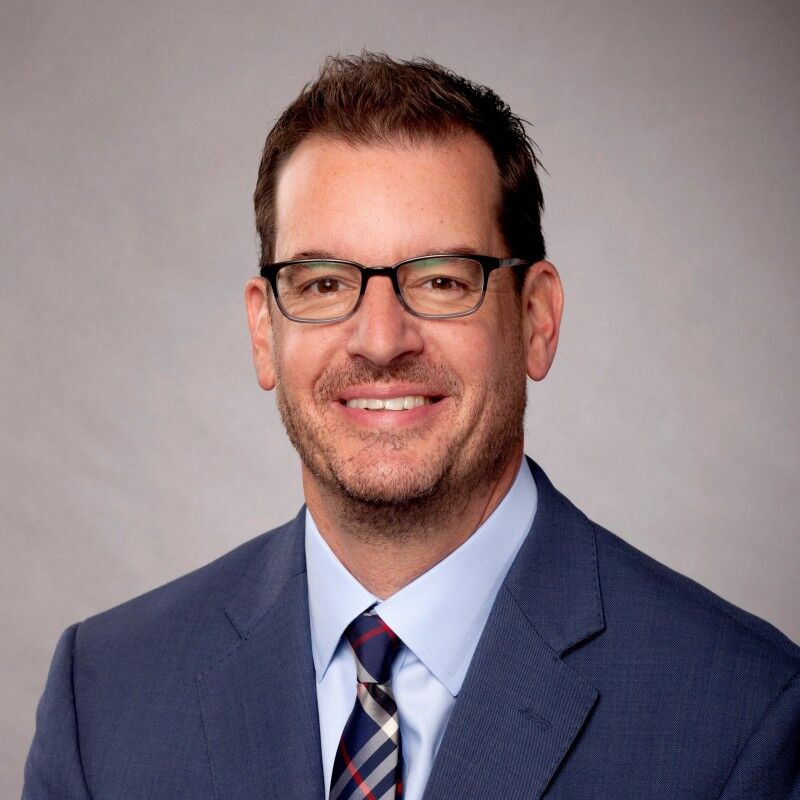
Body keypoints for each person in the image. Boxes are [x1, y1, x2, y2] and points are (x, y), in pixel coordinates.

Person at [23, 52, 800, 800]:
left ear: (536, 318)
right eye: (324, 284)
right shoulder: (106, 696)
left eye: (440, 281)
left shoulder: (742, 713)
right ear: (264, 332)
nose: (380, 339)